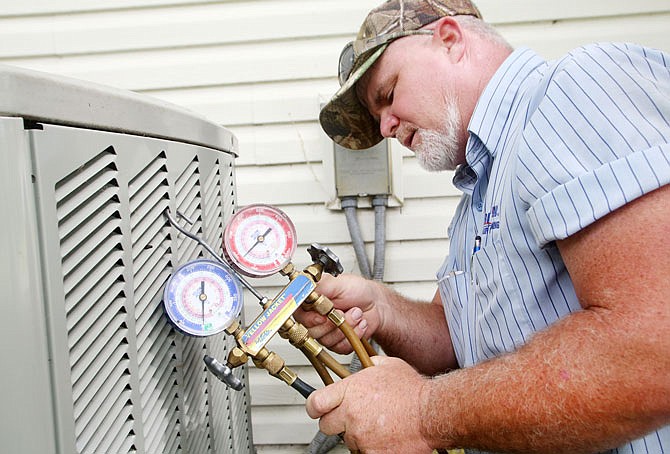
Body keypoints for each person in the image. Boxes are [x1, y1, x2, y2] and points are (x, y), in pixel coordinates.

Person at [294, 0, 670, 452]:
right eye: (378, 120)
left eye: (389, 94)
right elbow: (458, 341)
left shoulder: (572, 92)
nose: (387, 127)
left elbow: (651, 349)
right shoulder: (478, 195)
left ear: (450, 40)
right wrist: (382, 309)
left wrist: (421, 412)